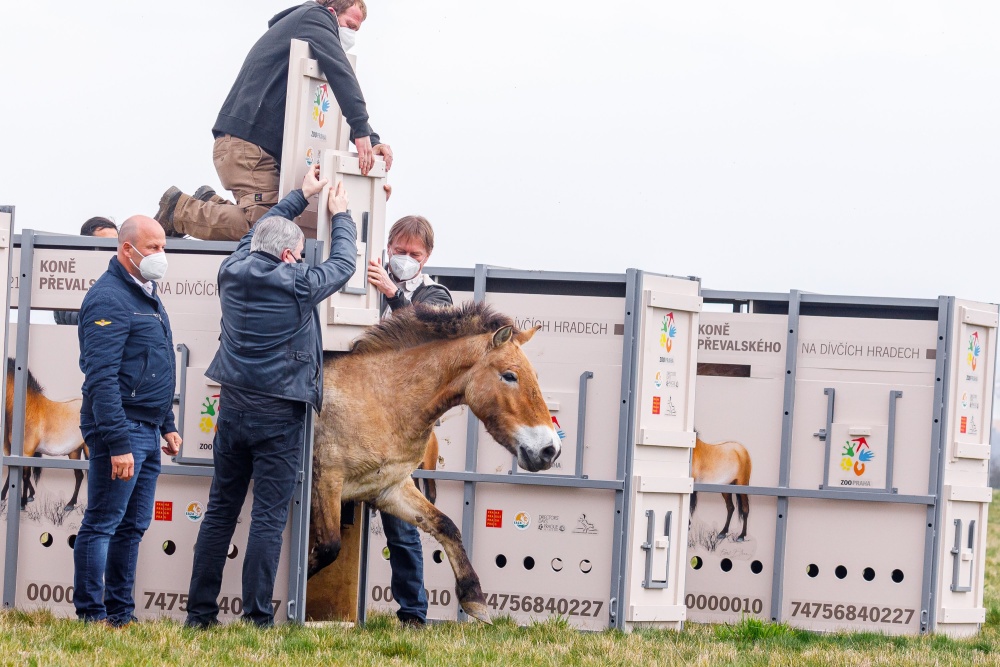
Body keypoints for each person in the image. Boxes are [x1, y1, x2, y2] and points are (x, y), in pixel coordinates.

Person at [185, 163, 357, 628]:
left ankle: (199, 616)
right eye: (299, 254)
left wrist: (301, 196)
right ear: (287, 256)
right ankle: (257, 619)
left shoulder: (232, 268)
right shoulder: (297, 284)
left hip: (235, 407)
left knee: (220, 511)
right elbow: (343, 265)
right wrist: (341, 216)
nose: (303, 260)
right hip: (279, 413)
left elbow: (256, 234)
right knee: (266, 517)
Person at [155, 0, 392, 241]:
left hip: (249, 146)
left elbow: (335, 93)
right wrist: (362, 130)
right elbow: (341, 71)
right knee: (269, 230)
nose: (350, 35)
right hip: (249, 147)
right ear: (331, 12)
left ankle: (209, 203)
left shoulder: (301, 33)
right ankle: (180, 211)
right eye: (349, 25)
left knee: (280, 225)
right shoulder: (315, 18)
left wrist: (372, 140)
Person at [73, 216, 182, 627]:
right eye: (153, 248)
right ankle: (92, 615)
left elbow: (155, 365)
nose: (161, 256)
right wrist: (118, 443)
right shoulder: (108, 299)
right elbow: (101, 377)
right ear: (127, 250)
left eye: (162, 247)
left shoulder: (146, 294)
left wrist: (166, 423)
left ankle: (121, 613)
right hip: (119, 431)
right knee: (102, 522)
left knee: (132, 525)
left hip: (146, 429)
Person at [366, 214, 451, 627]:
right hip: (361, 418)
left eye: (413, 253)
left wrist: (393, 294)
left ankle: (413, 615)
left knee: (401, 521)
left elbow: (426, 337)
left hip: (404, 431)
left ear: (427, 256)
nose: (403, 258)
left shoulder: (438, 295)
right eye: (398, 251)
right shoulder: (365, 284)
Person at [55, 217, 119, 326]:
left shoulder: (122, 277)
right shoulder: (69, 276)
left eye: (115, 244)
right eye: (105, 245)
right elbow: (68, 316)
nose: (112, 250)